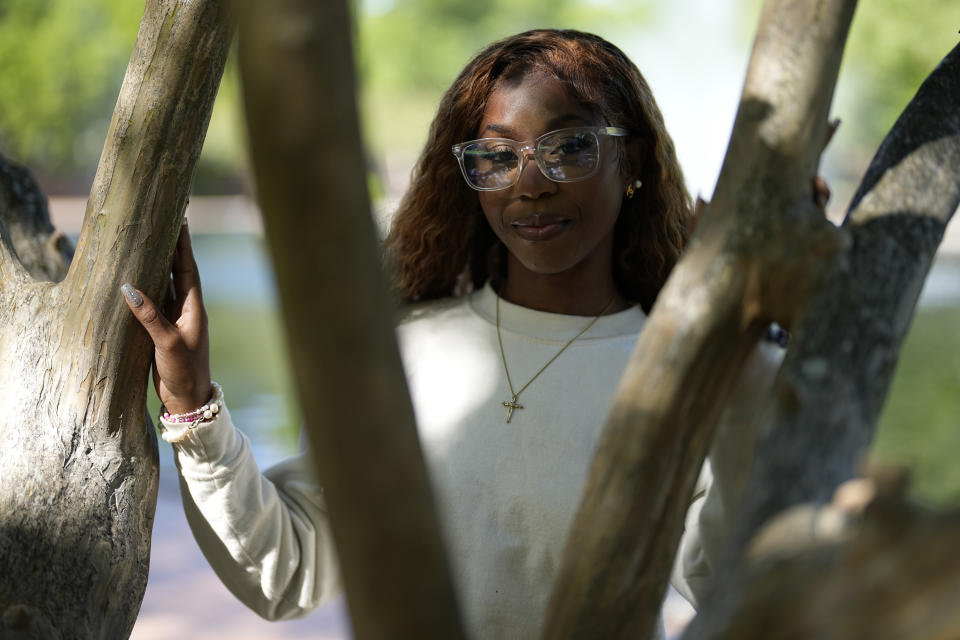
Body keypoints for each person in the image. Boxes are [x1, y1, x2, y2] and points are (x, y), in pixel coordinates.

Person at [122, 29, 781, 639]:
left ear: (631, 158)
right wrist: (190, 403)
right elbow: (287, 571)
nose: (530, 182)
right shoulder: (401, 356)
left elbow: (726, 591)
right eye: (496, 156)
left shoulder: (689, 373)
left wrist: (748, 360)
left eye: (569, 147)